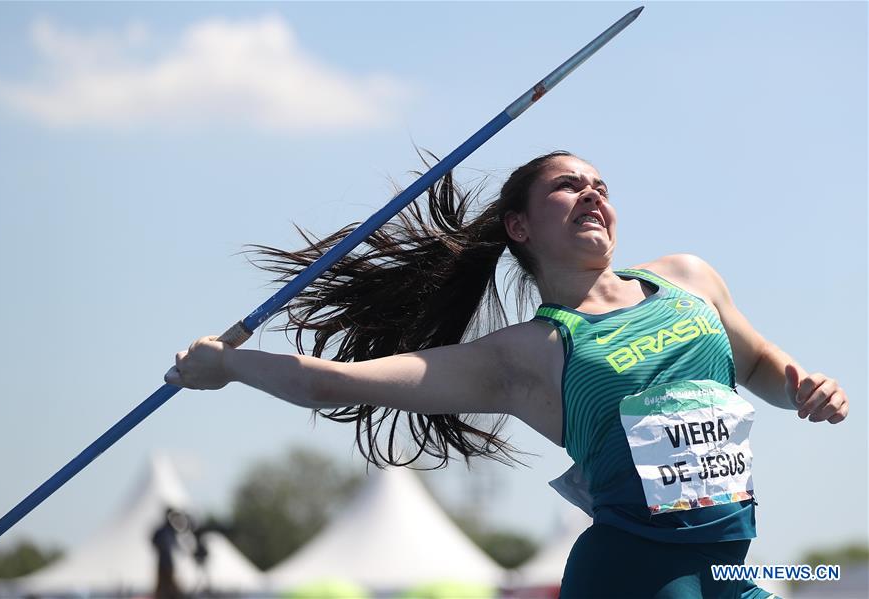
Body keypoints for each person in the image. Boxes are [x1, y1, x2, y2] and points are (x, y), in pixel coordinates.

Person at [164, 150, 849, 598]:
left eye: (600, 187)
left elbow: (757, 361)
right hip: (634, 571)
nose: (592, 195)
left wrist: (800, 384)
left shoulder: (690, 279)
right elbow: (333, 382)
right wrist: (226, 364)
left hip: (735, 566)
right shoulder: (523, 354)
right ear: (519, 228)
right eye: (568, 186)